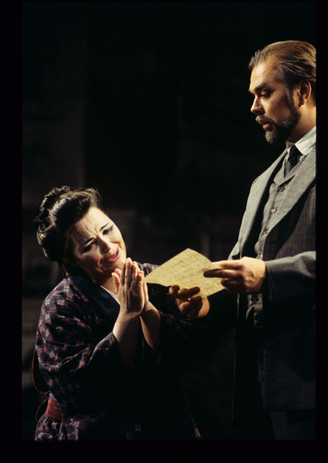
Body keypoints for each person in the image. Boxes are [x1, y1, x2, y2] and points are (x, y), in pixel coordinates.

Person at [173, 40, 316, 440]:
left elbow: (260, 274)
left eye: (264, 94)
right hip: (258, 389)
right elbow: (240, 275)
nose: (254, 108)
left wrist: (269, 275)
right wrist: (204, 303)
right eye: (253, 96)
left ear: (302, 91)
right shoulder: (261, 183)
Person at [32, 186, 204, 440]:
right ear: (71, 260)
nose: (108, 246)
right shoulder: (60, 306)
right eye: (90, 245)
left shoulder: (154, 278)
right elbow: (84, 385)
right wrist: (127, 315)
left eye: (107, 229)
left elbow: (182, 350)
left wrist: (146, 309)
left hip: (165, 425)